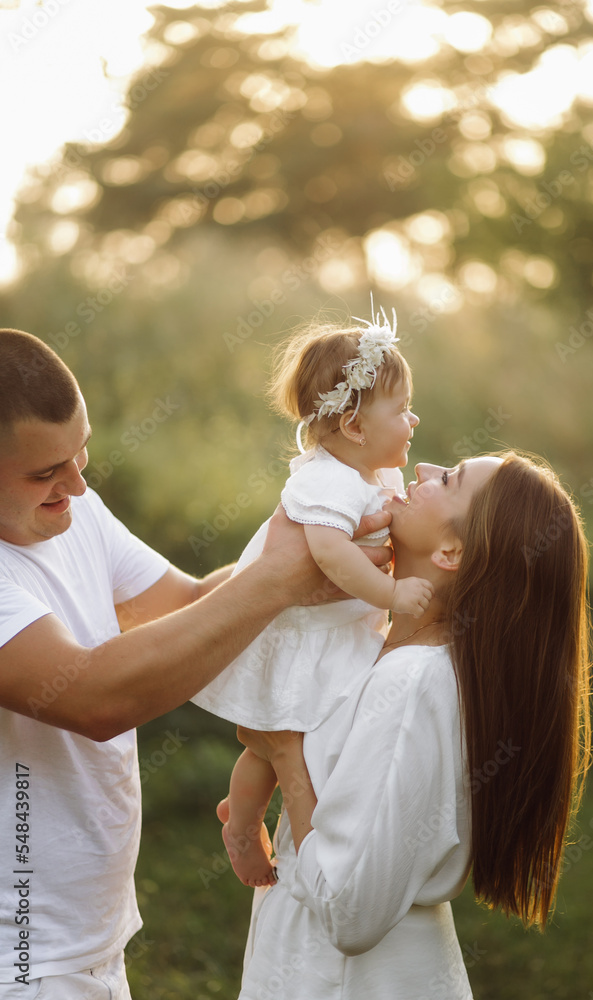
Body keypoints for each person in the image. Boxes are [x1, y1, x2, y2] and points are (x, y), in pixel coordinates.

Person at [0, 327, 391, 999]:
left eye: (80, 455)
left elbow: (187, 607)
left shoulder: (73, 510)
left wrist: (319, 564)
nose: (77, 482)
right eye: (46, 473)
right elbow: (95, 699)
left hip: (90, 940)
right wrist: (276, 580)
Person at [221, 450, 593, 1000]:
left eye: (449, 479)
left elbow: (350, 911)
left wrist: (284, 756)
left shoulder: (414, 684)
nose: (422, 471)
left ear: (452, 551)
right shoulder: (383, 649)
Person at [192, 303, 432, 886]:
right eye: (401, 410)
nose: (414, 421)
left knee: (294, 747)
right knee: (283, 748)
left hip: (337, 632)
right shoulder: (324, 480)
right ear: (354, 427)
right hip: (299, 639)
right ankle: (259, 833)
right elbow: (329, 553)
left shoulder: (378, 475)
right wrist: (391, 592)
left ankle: (283, 833)